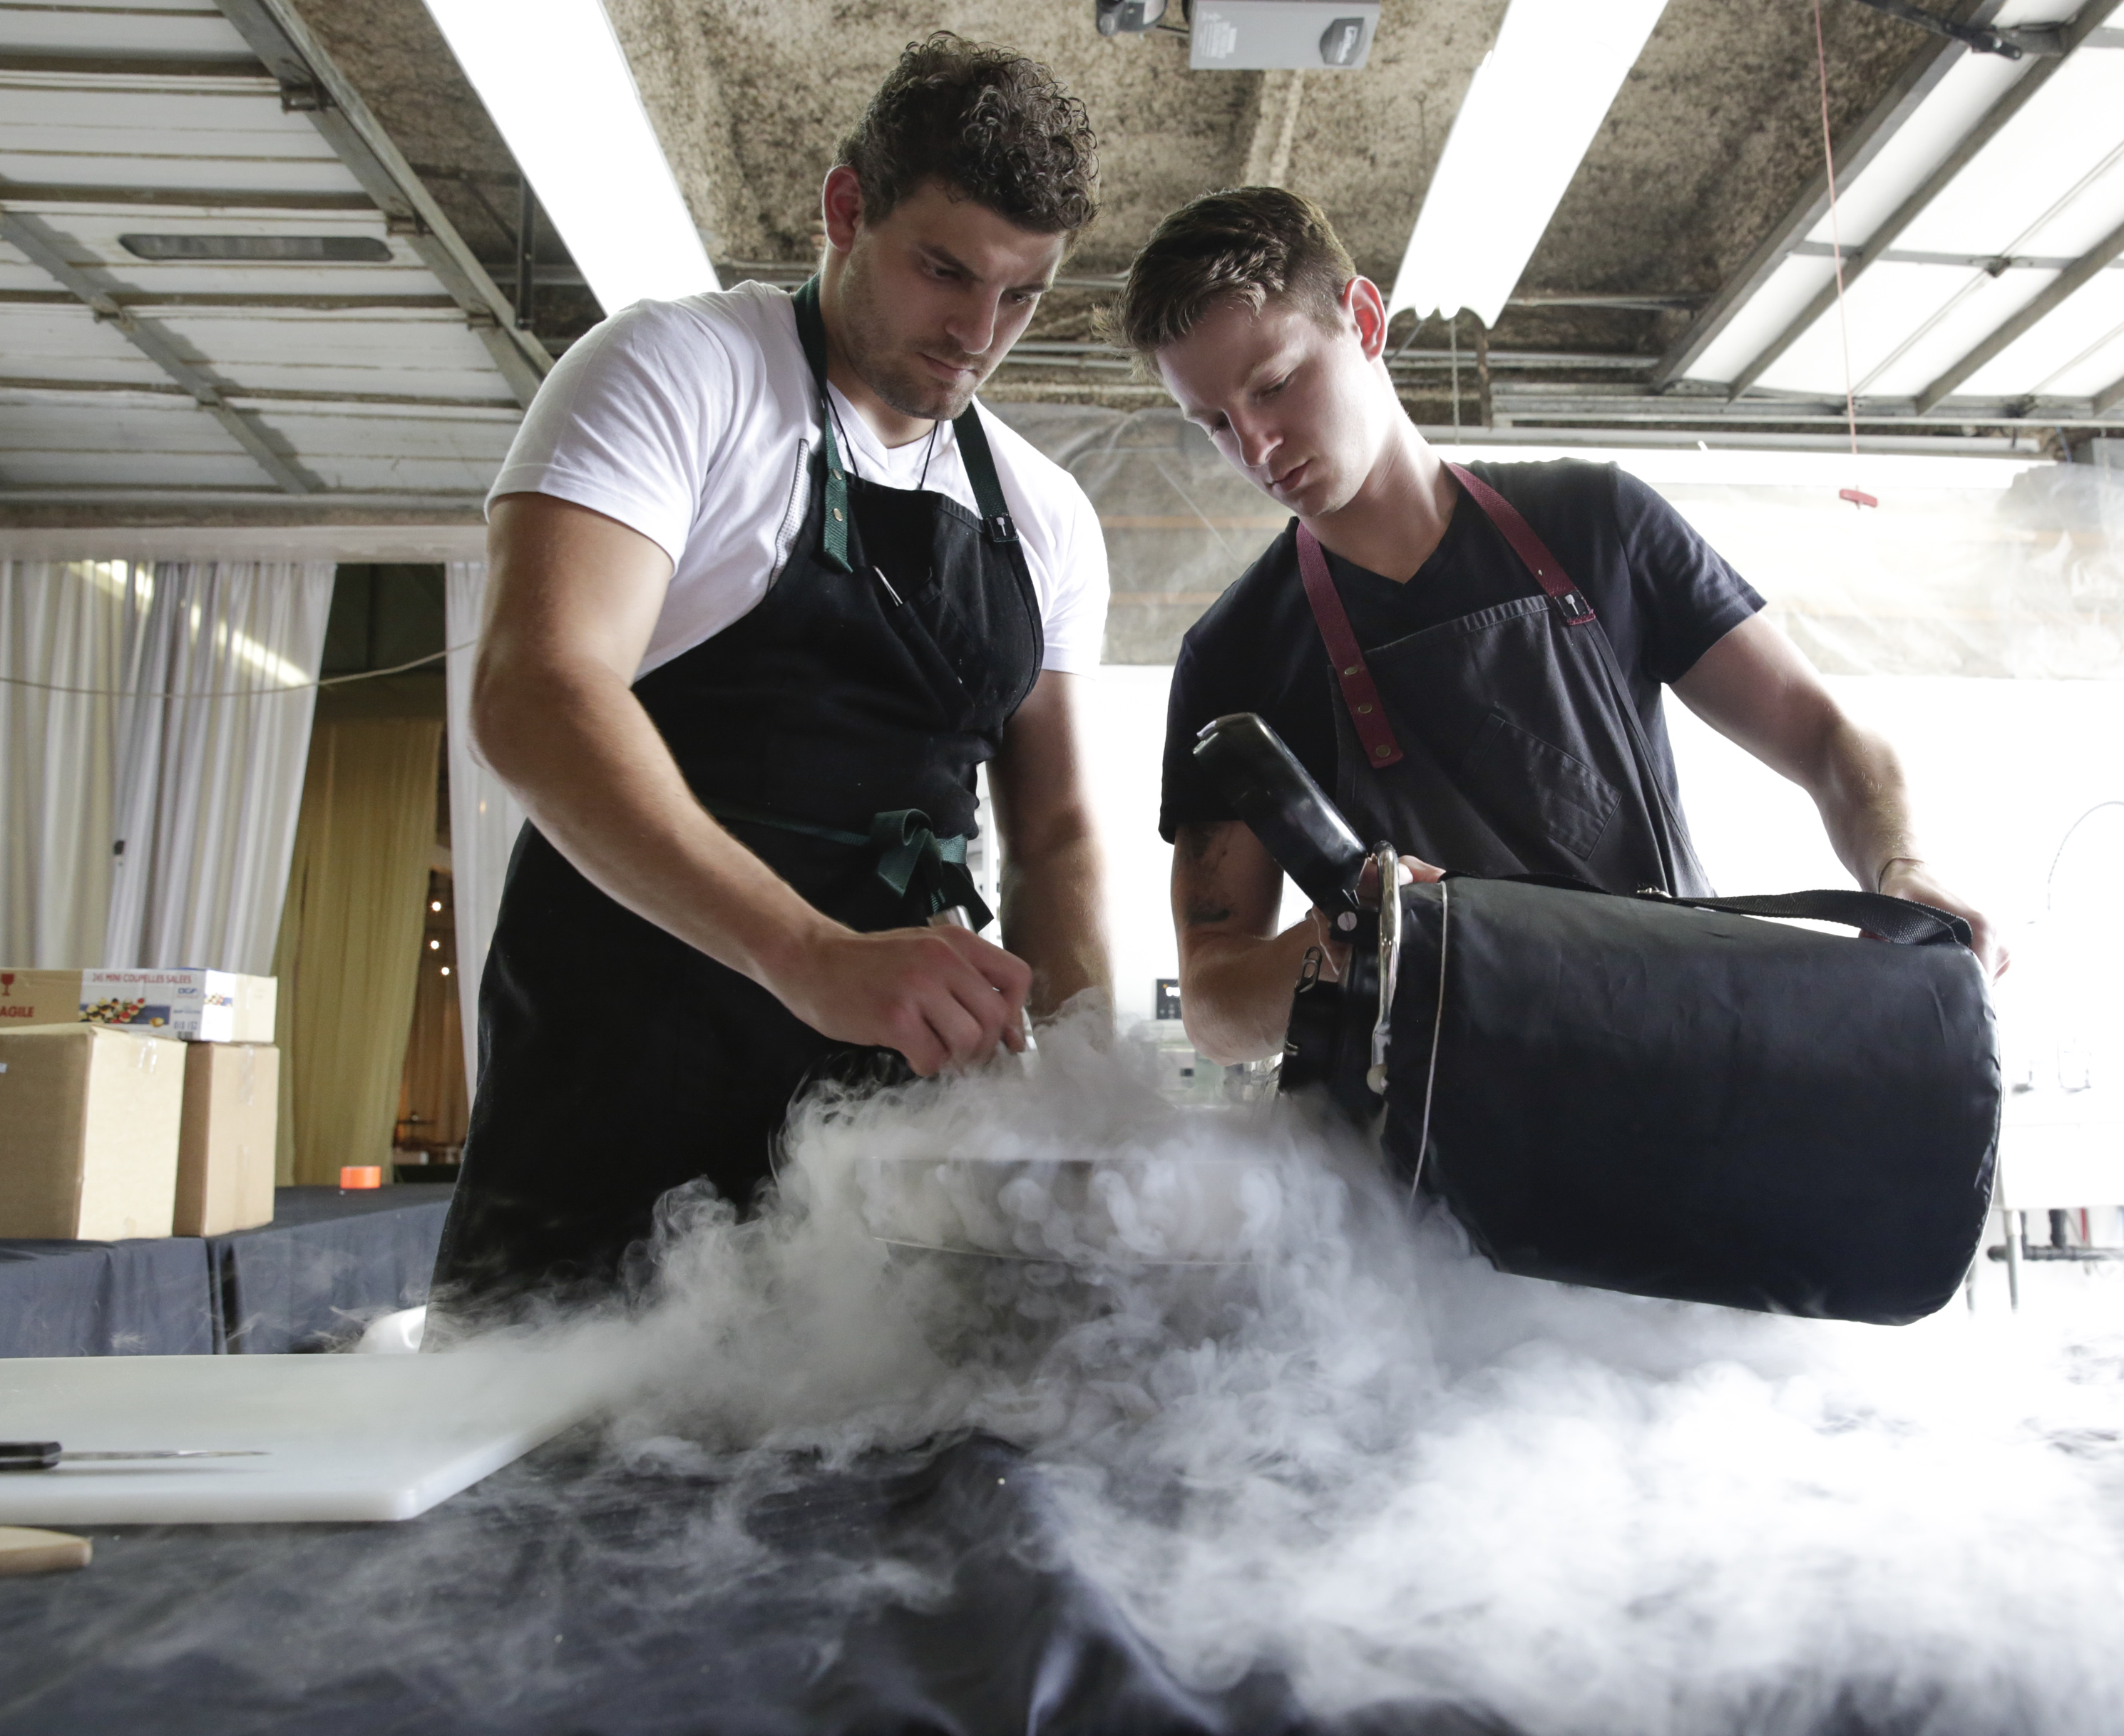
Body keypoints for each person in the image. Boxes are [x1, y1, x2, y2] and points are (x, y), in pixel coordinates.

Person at [435, 35, 1112, 1304]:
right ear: (844, 209)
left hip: (884, 1169)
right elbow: (538, 694)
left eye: (1021, 295)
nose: (977, 333)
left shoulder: (1047, 513)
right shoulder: (678, 375)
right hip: (618, 1092)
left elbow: (1061, 837)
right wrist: (805, 950)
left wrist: (1086, 1113)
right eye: (945, 270)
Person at [1117, 188, 2004, 1064]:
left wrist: (1900, 869)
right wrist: (1347, 946)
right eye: (1215, 424)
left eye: (1274, 384)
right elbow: (1214, 1004)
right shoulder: (1235, 655)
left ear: (1362, 318)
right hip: (1433, 1161)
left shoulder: (1598, 524)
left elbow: (1823, 736)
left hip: (1685, 1066)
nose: (1257, 447)